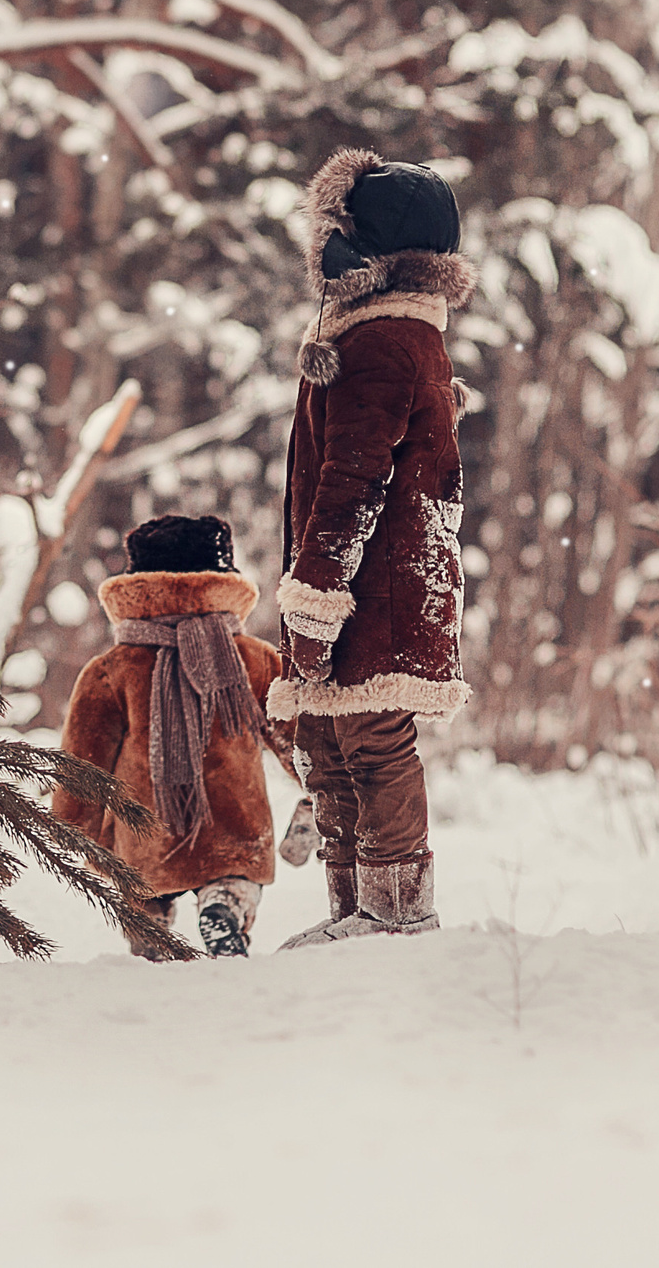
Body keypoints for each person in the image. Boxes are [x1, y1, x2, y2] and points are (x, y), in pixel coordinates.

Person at [269, 149, 473, 946]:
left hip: (375, 587)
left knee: (374, 735)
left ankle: (396, 909)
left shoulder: (381, 342)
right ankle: (354, 908)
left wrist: (316, 600)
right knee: (332, 737)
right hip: (384, 580)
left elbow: (353, 485)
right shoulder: (390, 336)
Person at [52, 515, 293, 957]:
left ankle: (148, 926)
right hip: (236, 823)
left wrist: (74, 826)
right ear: (223, 579)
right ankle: (227, 904)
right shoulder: (254, 658)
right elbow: (294, 732)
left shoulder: (112, 667)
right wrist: (320, 783)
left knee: (142, 885)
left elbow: (84, 760)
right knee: (235, 873)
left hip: (145, 831)